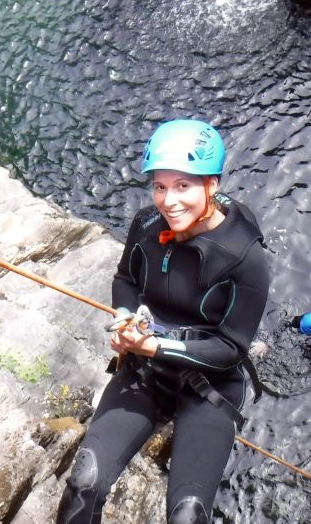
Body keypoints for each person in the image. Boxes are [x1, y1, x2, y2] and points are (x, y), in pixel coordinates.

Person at [56, 119, 270, 524]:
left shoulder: (246, 258)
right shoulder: (147, 225)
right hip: (146, 374)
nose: (168, 201)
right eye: (159, 186)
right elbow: (126, 279)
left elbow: (231, 348)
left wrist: (154, 345)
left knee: (187, 516)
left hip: (208, 389)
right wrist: (125, 318)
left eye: (183, 186)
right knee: (85, 481)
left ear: (212, 184)